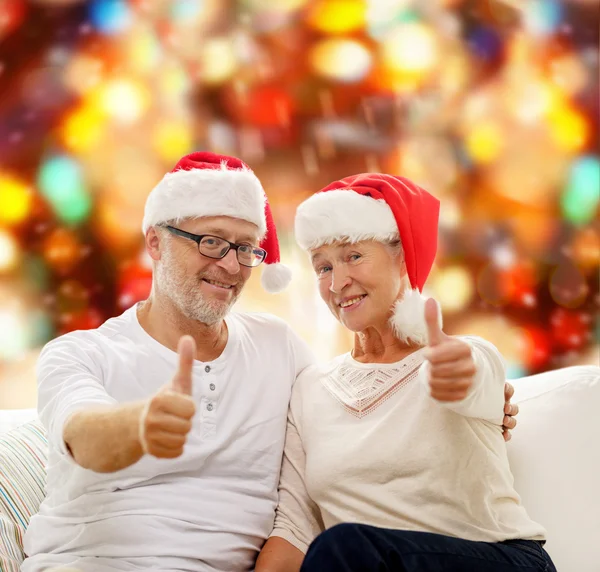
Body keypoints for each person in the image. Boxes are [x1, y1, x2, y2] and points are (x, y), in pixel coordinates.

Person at [22, 154, 518, 572]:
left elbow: (455, 379)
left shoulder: (280, 351)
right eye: (211, 241)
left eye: (244, 248)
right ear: (155, 241)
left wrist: (483, 391)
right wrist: (140, 426)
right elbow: (82, 434)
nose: (232, 265)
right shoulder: (79, 353)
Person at [256, 173, 556, 572]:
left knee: (346, 546)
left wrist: (454, 372)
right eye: (323, 267)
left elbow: (472, 378)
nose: (338, 282)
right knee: (342, 549)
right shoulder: (310, 390)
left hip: (497, 560)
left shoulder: (464, 355)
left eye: (354, 256)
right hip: (361, 562)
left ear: (402, 256)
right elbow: (294, 528)